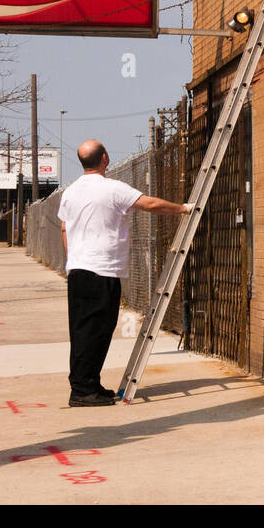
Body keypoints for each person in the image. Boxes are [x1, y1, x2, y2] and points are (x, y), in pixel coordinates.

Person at [57, 139, 192, 406]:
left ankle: (89, 384)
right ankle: (83, 392)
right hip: (101, 271)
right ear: (104, 158)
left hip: (79, 270)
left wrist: (73, 257)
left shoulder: (70, 192)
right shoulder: (112, 189)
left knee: (83, 330)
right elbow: (150, 205)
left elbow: (64, 228)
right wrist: (183, 208)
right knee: (96, 330)